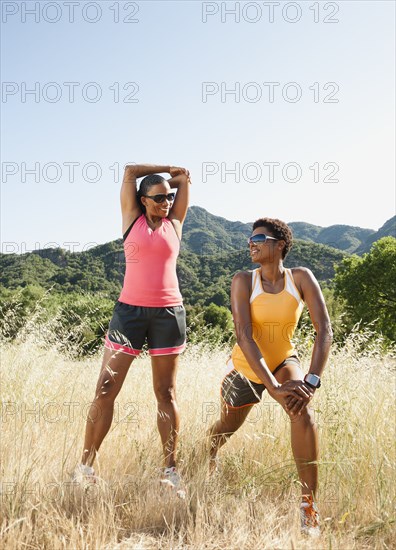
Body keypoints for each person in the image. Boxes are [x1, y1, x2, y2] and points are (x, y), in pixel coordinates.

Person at [209, 217, 333, 536]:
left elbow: (324, 331)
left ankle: (308, 506)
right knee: (226, 427)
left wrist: (311, 380)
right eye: (249, 239)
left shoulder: (301, 277)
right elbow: (245, 336)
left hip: (283, 362)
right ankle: (208, 450)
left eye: (259, 238)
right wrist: (273, 387)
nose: (251, 243)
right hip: (247, 369)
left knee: (301, 409)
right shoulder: (242, 281)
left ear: (279, 245)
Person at [74, 164, 191, 497]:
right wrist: (164, 169)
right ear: (142, 200)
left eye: (169, 197)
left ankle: (170, 472)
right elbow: (129, 170)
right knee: (106, 389)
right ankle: (85, 468)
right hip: (129, 314)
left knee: (166, 393)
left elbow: (184, 179)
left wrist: (174, 179)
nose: (166, 202)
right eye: (158, 198)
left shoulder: (176, 224)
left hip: (169, 314)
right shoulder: (131, 220)